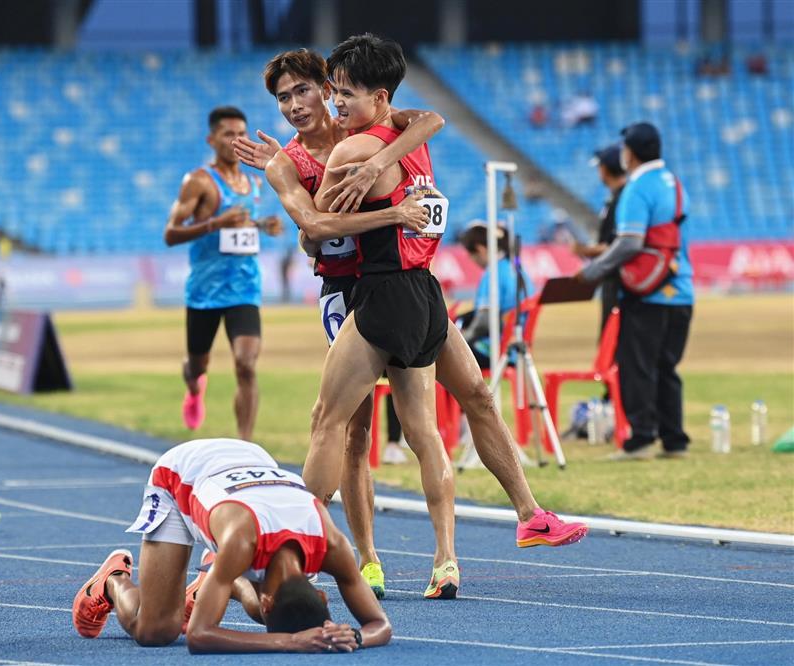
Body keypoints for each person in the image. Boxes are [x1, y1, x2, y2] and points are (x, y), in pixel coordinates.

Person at [241, 42, 587, 599]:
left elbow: (430, 118)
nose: (299, 104)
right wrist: (390, 209)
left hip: (390, 289)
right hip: (357, 291)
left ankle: (295, 549)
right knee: (362, 429)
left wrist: (377, 169)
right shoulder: (293, 157)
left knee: (416, 409)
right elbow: (311, 228)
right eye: (285, 98)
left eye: (312, 90)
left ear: (333, 90)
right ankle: (376, 559)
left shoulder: (371, 134)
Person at [71, 438, 391, 653]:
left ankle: (221, 578)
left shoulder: (332, 542)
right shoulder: (244, 540)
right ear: (322, 593)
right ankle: (113, 581)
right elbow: (198, 636)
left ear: (320, 593)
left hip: (251, 462)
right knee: (155, 632)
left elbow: (381, 626)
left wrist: (356, 636)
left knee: (283, 608)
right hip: (179, 475)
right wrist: (290, 641)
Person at [163, 107, 284, 440]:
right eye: (228, 134)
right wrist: (215, 222)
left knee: (246, 364)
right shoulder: (198, 181)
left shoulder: (255, 181)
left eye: (241, 133)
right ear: (212, 139)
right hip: (205, 292)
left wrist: (264, 225)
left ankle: (245, 443)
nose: (236, 140)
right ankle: (194, 387)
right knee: (197, 365)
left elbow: (243, 225)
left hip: (244, 288)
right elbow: (170, 233)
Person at [576, 122, 693, 461]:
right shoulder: (674, 182)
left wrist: (594, 271)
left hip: (648, 293)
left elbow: (629, 243)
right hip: (681, 287)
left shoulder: (638, 188)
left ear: (630, 153)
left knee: (636, 365)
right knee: (667, 366)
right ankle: (675, 440)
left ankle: (641, 438)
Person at [457, 221, 534, 369]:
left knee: (443, 351)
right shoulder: (516, 269)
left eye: (471, 255)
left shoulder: (493, 273)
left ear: (480, 249)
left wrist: (461, 339)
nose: (472, 261)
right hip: (518, 343)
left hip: (500, 347)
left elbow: (485, 322)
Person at [571, 144, 628, 334]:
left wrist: (585, 251)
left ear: (604, 169)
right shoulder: (622, 197)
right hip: (620, 279)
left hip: (618, 280)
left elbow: (617, 245)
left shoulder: (622, 199)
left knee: (612, 338)